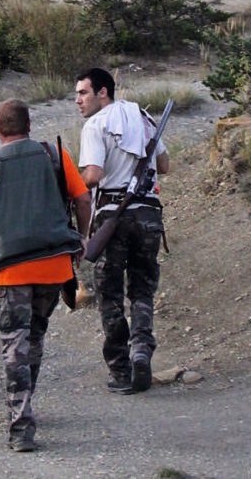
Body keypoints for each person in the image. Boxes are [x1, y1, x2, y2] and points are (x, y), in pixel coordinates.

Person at [0, 98, 91, 452]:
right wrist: (82, 238)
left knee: (14, 344)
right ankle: (26, 402)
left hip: (9, 271)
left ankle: (21, 426)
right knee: (34, 336)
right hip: (53, 267)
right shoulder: (53, 155)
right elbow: (82, 200)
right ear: (29, 125)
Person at [74, 68, 170, 395]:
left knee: (110, 293)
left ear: (103, 92)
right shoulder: (142, 117)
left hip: (112, 214)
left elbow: (94, 175)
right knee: (142, 288)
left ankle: (120, 369)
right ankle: (141, 348)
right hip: (148, 214)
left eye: (83, 93)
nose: (78, 100)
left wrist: (74, 180)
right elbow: (166, 165)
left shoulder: (95, 125)